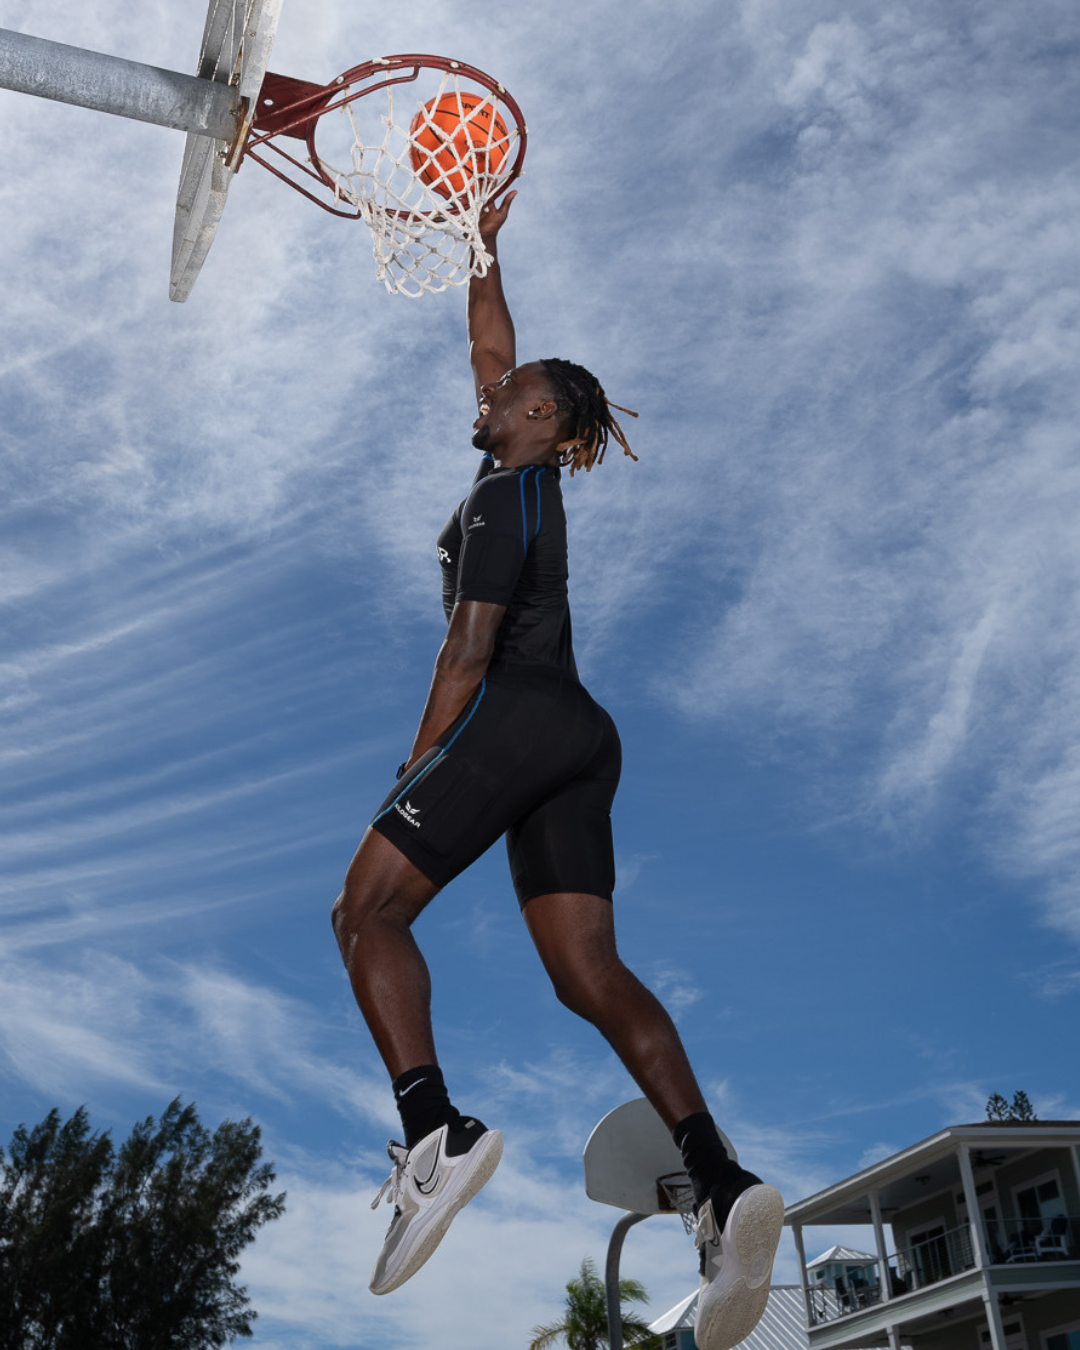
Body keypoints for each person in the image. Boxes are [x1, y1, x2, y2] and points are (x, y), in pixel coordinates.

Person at [331, 192, 783, 1350]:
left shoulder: (503, 492)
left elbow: (469, 648)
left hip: (517, 712)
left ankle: (434, 1135)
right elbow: (489, 340)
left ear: (539, 414)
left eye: (507, 388)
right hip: (583, 737)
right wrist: (482, 242)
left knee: (367, 910)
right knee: (589, 977)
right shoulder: (530, 465)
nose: (486, 390)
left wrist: (421, 761)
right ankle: (721, 1181)